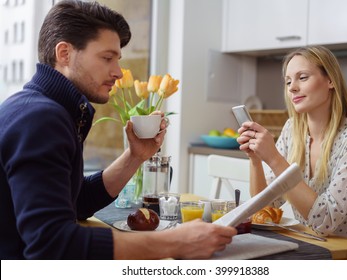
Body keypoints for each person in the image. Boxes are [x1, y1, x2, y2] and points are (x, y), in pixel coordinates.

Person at [0, 0, 236, 260]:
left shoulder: (46, 110)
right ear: (64, 54)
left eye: (118, 59)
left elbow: (76, 202)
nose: (118, 72)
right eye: (107, 58)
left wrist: (135, 156)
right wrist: (171, 243)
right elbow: (53, 245)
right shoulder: (41, 119)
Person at [237, 45, 347, 259]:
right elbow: (266, 205)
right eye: (288, 81)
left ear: (330, 81)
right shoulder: (292, 130)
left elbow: (324, 220)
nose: (292, 88)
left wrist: (273, 158)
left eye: (302, 77)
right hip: (318, 250)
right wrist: (256, 159)